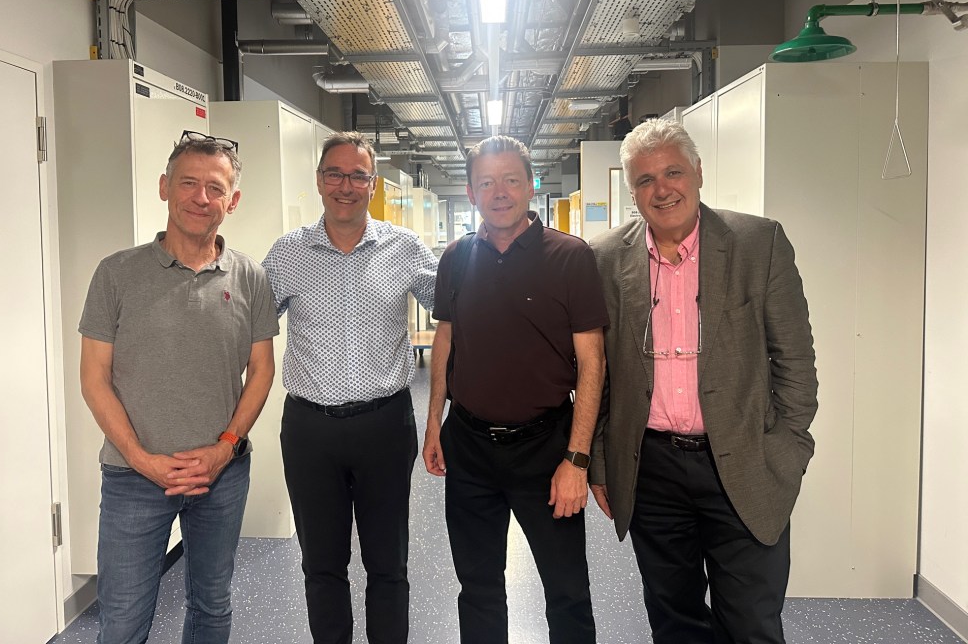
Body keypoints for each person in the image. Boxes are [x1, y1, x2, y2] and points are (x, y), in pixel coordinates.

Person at [589, 118, 819, 644]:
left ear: (697, 171)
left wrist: (787, 448)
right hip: (651, 470)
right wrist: (602, 462)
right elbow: (600, 373)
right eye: (645, 180)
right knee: (675, 620)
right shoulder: (604, 258)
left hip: (742, 460)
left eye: (673, 172)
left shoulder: (758, 243)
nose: (662, 189)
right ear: (632, 192)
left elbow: (795, 359)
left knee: (751, 623)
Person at [79, 131, 279, 644]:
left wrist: (225, 447)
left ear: (232, 201)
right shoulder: (116, 274)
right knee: (123, 621)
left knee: (212, 605)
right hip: (132, 476)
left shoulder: (250, 277)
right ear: (164, 187)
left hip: (222, 474)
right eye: (188, 183)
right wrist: (141, 458)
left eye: (215, 188)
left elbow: (261, 371)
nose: (200, 198)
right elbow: (94, 379)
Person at [423, 135, 608, 644]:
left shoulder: (570, 257)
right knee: (478, 588)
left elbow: (592, 363)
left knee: (567, 592)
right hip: (469, 447)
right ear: (471, 192)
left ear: (531, 185)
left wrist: (577, 460)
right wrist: (434, 422)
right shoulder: (457, 256)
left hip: (546, 450)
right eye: (486, 182)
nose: (499, 192)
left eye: (510, 180)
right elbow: (446, 339)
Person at [261, 131, 437, 644]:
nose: (345, 186)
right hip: (310, 430)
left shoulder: (404, 248)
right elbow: (249, 326)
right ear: (319, 181)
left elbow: (457, 304)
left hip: (386, 425)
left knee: (388, 564)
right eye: (334, 174)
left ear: (373, 184)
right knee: (321, 565)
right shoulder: (288, 253)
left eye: (358, 175)